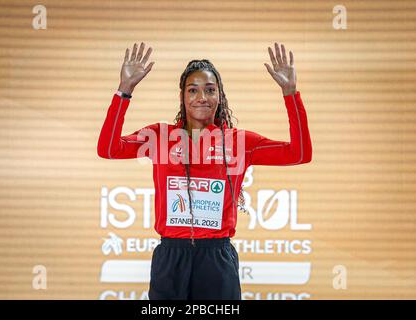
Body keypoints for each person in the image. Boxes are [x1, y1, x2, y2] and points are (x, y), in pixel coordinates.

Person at [97, 42, 312, 300]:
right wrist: (124, 90)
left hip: (216, 259)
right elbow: (108, 149)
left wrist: (290, 93)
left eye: (210, 90)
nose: (202, 97)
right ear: (183, 96)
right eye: (193, 90)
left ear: (219, 96)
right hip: (170, 258)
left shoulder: (239, 142)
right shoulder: (160, 136)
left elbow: (299, 154)